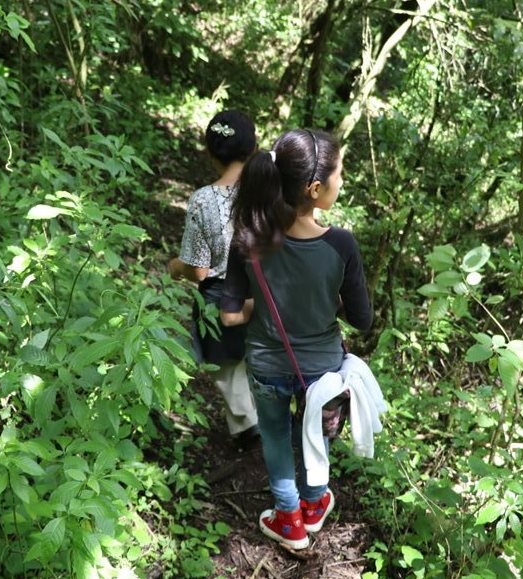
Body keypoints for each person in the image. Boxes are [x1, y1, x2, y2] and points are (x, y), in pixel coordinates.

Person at [220, 129, 372, 549]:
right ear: (315, 187)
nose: (342, 182)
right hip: (320, 369)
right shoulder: (340, 244)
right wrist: (327, 303)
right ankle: (311, 503)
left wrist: (263, 310)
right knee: (314, 433)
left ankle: (288, 520)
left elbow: (230, 314)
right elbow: (363, 319)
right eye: (339, 174)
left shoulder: (248, 238)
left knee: (273, 435)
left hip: (267, 364)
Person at [168, 110, 259, 449]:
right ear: (254, 147)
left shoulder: (204, 199)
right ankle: (257, 423)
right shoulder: (268, 192)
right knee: (252, 361)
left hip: (222, 297)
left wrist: (177, 267)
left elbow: (199, 269)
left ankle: (250, 427)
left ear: (209, 151)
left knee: (226, 367)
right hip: (265, 291)